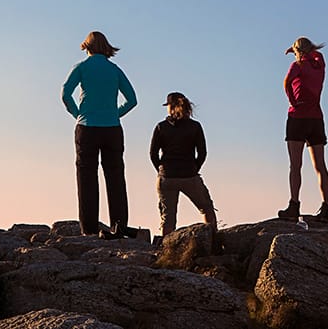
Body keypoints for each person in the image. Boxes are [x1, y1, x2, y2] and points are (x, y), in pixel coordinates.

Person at [62, 31, 138, 237]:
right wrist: (116, 113)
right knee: (115, 177)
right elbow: (132, 100)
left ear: (86, 47)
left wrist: (78, 114)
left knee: (86, 177)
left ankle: (89, 229)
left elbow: (65, 93)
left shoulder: (82, 67)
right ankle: (119, 226)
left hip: (86, 127)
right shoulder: (115, 70)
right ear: (106, 48)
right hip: (112, 128)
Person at [277, 37, 328, 221]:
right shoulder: (319, 66)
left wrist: (293, 103)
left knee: (295, 165)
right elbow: (317, 55)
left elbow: (286, 83)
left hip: (297, 117)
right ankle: (326, 207)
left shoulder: (297, 67)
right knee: (320, 166)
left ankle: (294, 205)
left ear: (297, 52)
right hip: (316, 119)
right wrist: (300, 50)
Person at [149, 92, 218, 236]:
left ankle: (166, 251)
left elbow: (153, 154)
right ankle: (213, 241)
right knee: (207, 208)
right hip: (189, 176)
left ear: (171, 107)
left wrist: (161, 170)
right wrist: (193, 169)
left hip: (167, 178)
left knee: (168, 218)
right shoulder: (195, 126)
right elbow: (202, 153)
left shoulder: (161, 127)